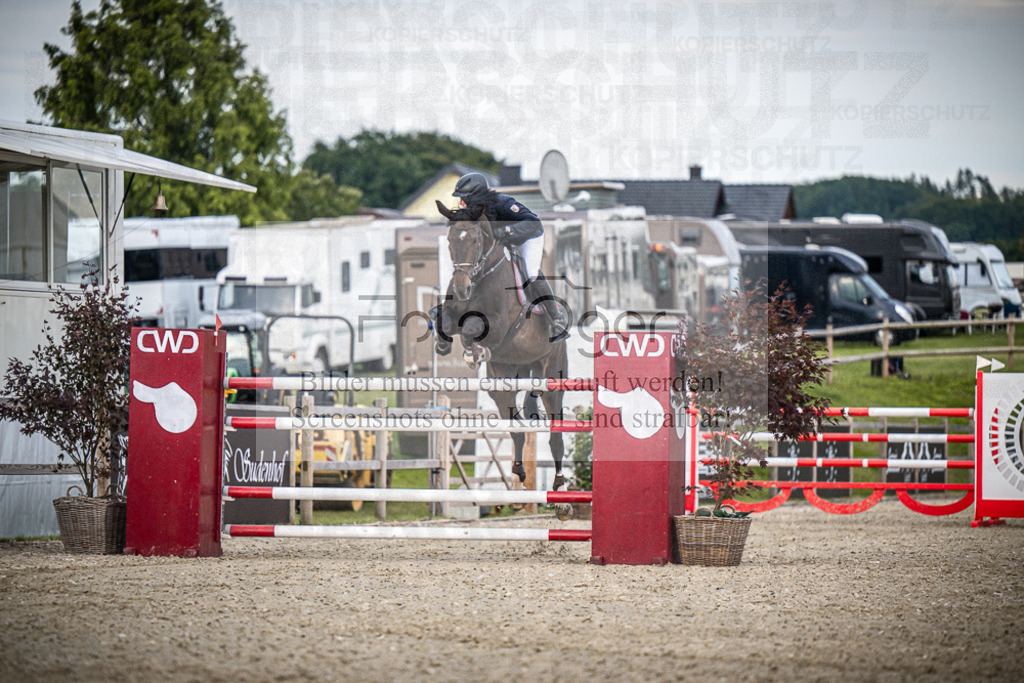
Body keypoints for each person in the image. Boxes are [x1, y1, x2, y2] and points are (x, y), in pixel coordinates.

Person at [433, 172, 569, 355]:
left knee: (529, 273)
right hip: (502, 239)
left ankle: (556, 317)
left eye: (464, 198)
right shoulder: (472, 212)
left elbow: (532, 223)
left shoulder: (503, 203)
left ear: (476, 195)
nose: (461, 203)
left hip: (527, 236)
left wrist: (508, 229)